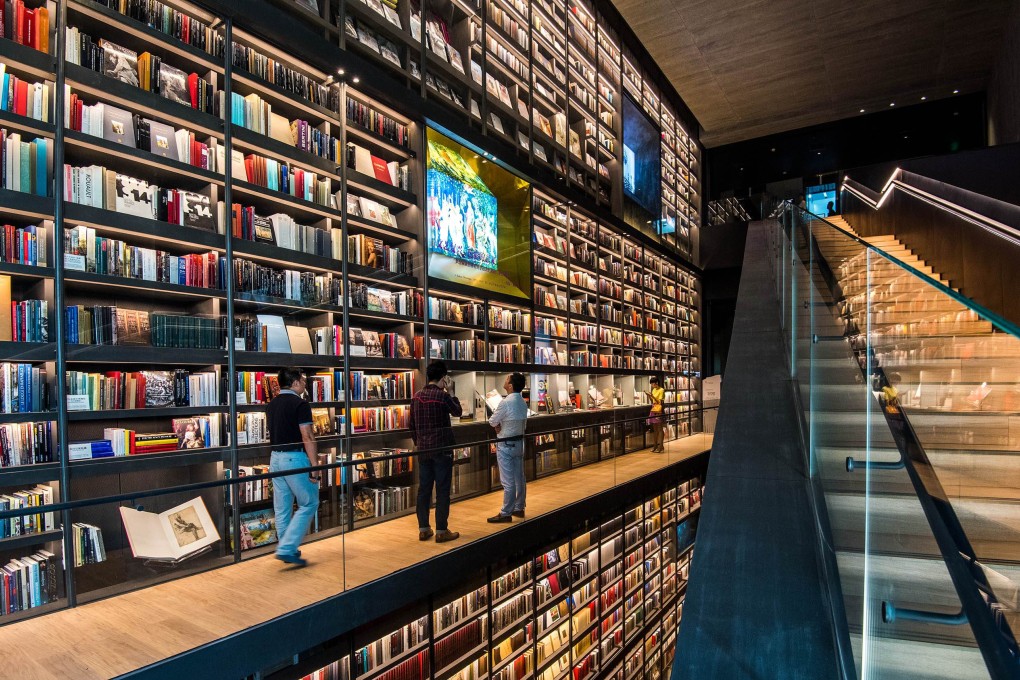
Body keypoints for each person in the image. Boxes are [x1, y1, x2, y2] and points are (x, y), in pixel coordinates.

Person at [267, 367, 320, 566]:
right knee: (310, 502)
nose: (305, 385)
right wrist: (315, 465)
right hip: (294, 458)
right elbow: (307, 435)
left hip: (275, 459)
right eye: (303, 381)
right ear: (295, 382)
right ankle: (287, 548)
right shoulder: (301, 404)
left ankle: (287, 548)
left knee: (282, 508)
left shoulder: (271, 405)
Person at [409, 360, 462, 543]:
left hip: (423, 451)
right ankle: (441, 530)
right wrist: (452, 393)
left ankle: (423, 529)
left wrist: (420, 443)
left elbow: (412, 426)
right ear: (443, 378)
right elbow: (458, 412)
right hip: (442, 450)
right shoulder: (443, 396)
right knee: (442, 490)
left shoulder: (416, 396)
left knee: (424, 490)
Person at [487, 373, 529, 523]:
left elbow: (492, 421)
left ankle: (506, 512)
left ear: (510, 386)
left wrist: (498, 425)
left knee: (508, 481)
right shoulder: (523, 403)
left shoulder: (505, 403)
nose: (504, 381)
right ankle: (519, 507)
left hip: (505, 444)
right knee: (519, 477)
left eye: (506, 380)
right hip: (519, 444)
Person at [645, 376, 666, 453]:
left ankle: (660, 446)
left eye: (652, 384)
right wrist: (649, 396)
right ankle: (655, 446)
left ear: (656, 383)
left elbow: (660, 402)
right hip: (653, 408)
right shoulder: (653, 390)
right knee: (655, 429)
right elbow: (652, 401)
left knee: (660, 429)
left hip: (659, 409)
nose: (651, 385)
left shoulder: (662, 390)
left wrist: (652, 396)